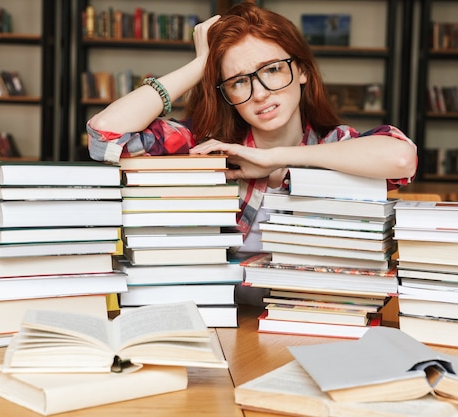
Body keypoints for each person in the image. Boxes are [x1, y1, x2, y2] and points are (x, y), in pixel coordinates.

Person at [87, 3, 417, 301]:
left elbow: (402, 158)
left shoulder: (337, 145)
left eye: (272, 69)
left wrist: (277, 159)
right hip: (216, 323)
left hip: (312, 321)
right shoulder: (206, 148)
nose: (259, 93)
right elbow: (104, 135)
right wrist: (201, 64)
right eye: (239, 81)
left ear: (301, 71)